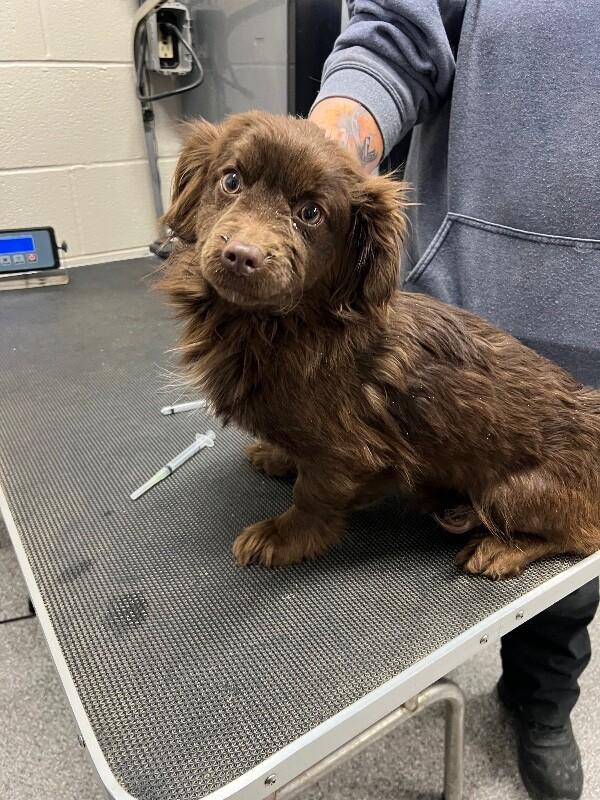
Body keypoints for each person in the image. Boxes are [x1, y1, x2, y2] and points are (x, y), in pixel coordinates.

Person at [309, 2, 600, 799]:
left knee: (569, 571)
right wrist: (320, 157)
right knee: (399, 531)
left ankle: (539, 705)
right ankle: (357, 693)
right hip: (454, 308)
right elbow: (397, 37)